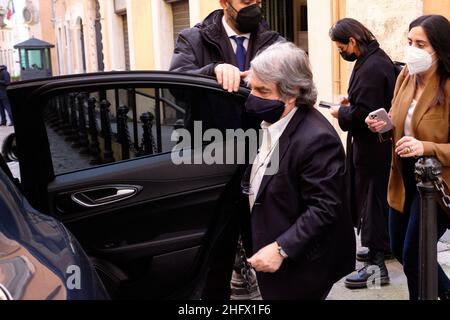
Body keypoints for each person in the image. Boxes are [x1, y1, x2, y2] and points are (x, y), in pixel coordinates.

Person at [243, 42, 355, 299]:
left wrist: (280, 249)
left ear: (291, 93)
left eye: (262, 91)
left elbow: (324, 208)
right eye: (252, 88)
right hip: (271, 251)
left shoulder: (316, 139)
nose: (253, 98)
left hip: (300, 266)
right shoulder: (273, 121)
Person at [366, 14, 450, 300]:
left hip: (438, 182)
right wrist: (384, 126)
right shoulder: (406, 75)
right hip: (402, 176)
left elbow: (426, 140)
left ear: (439, 48)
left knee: (416, 257)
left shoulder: (448, 85)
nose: (412, 49)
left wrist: (425, 147)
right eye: (409, 42)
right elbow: (398, 120)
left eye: (421, 44)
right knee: (402, 250)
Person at [328, 18, 396, 289]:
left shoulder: (371, 67)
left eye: (340, 46)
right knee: (376, 201)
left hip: (372, 151)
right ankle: (382, 248)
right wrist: (350, 103)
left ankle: (376, 267)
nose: (340, 52)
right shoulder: (374, 59)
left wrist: (341, 112)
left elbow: (363, 115)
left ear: (353, 42)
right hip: (375, 149)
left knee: (372, 204)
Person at [169, 0, 282, 132]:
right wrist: (212, 71)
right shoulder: (193, 38)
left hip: (259, 143)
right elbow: (177, 86)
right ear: (224, 3)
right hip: (209, 144)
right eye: (246, 3)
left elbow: (292, 90)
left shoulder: (275, 43)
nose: (254, 9)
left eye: (257, 3)